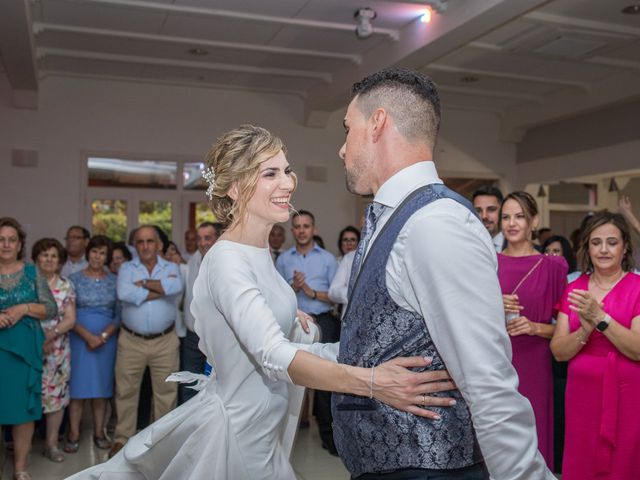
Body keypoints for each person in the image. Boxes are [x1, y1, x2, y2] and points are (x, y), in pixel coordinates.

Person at [68, 124, 450, 480]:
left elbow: (290, 345)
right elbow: (272, 354)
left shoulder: (258, 253)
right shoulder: (227, 259)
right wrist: (371, 382)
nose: (287, 183)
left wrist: (373, 356)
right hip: (236, 438)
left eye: (287, 170)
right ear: (234, 187)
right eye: (270, 174)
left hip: (266, 428)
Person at [335, 68, 553, 479]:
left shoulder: (435, 223)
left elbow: (486, 379)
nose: (342, 150)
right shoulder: (392, 217)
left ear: (377, 123)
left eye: (348, 130)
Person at [550, 212, 640, 479]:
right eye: (596, 242)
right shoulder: (574, 289)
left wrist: (600, 318)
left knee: (625, 462)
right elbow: (558, 351)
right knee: (582, 460)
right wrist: (586, 329)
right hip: (582, 395)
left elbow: (637, 348)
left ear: (625, 248)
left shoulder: (637, 287)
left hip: (628, 394)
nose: (603, 249)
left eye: (612, 242)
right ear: (587, 248)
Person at [498, 191, 568, 469]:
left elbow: (568, 330)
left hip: (535, 364)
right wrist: (493, 306)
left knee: (533, 438)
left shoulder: (552, 267)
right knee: (496, 440)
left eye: (520, 217)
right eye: (506, 217)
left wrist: (535, 326)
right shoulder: (487, 263)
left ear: (534, 221)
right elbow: (465, 320)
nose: (512, 223)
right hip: (495, 362)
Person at [109, 225, 183, 457]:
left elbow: (176, 287)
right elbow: (124, 294)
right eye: (140, 242)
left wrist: (141, 284)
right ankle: (122, 440)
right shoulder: (126, 269)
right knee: (126, 392)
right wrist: (160, 289)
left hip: (165, 341)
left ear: (159, 244)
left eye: (150, 241)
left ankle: (160, 443)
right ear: (135, 245)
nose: (145, 246)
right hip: (131, 340)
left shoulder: (172, 267)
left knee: (166, 392)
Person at [276, 209, 339, 453]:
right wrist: (293, 287)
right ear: (292, 231)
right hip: (292, 323)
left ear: (314, 229)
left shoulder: (327, 259)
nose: (301, 230)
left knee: (324, 381)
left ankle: (329, 438)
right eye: (297, 226)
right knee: (286, 378)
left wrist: (311, 292)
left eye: (306, 226)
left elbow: (336, 297)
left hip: (323, 321)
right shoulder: (283, 260)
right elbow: (275, 295)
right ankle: (281, 439)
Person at [0, 217, 57, 480]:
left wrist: (24, 308)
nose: (6, 244)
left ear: (20, 244)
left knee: (23, 411)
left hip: (24, 353)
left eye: (12, 239)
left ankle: (21, 468)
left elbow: (51, 308)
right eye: (1, 239)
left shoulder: (33, 273)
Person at [66, 235, 119, 454]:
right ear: (88, 253)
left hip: (106, 343)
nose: (98, 257)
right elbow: (67, 313)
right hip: (79, 341)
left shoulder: (114, 280)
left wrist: (103, 336)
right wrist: (88, 337)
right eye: (95, 252)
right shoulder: (74, 279)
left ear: (107, 257)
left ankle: (99, 432)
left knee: (101, 390)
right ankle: (74, 434)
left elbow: (119, 315)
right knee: (78, 391)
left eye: (102, 253)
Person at [32, 238, 76, 463]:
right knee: (25, 397)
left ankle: (51, 444)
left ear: (59, 261)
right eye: (44, 254)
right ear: (36, 258)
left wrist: (51, 334)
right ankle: (24, 446)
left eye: (53, 256)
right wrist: (39, 338)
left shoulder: (65, 285)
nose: (48, 259)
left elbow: (70, 319)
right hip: (28, 348)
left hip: (57, 350)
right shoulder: (27, 283)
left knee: (55, 399)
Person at [180, 221, 221, 404]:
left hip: (217, 336)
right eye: (199, 238)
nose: (203, 242)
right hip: (193, 337)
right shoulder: (193, 259)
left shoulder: (225, 260)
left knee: (216, 384)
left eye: (208, 238)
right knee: (189, 384)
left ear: (217, 238)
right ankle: (189, 429)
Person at [472, 185, 504, 252]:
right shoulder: (467, 245)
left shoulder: (515, 245)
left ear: (503, 211)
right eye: (478, 210)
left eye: (491, 209)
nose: (484, 216)